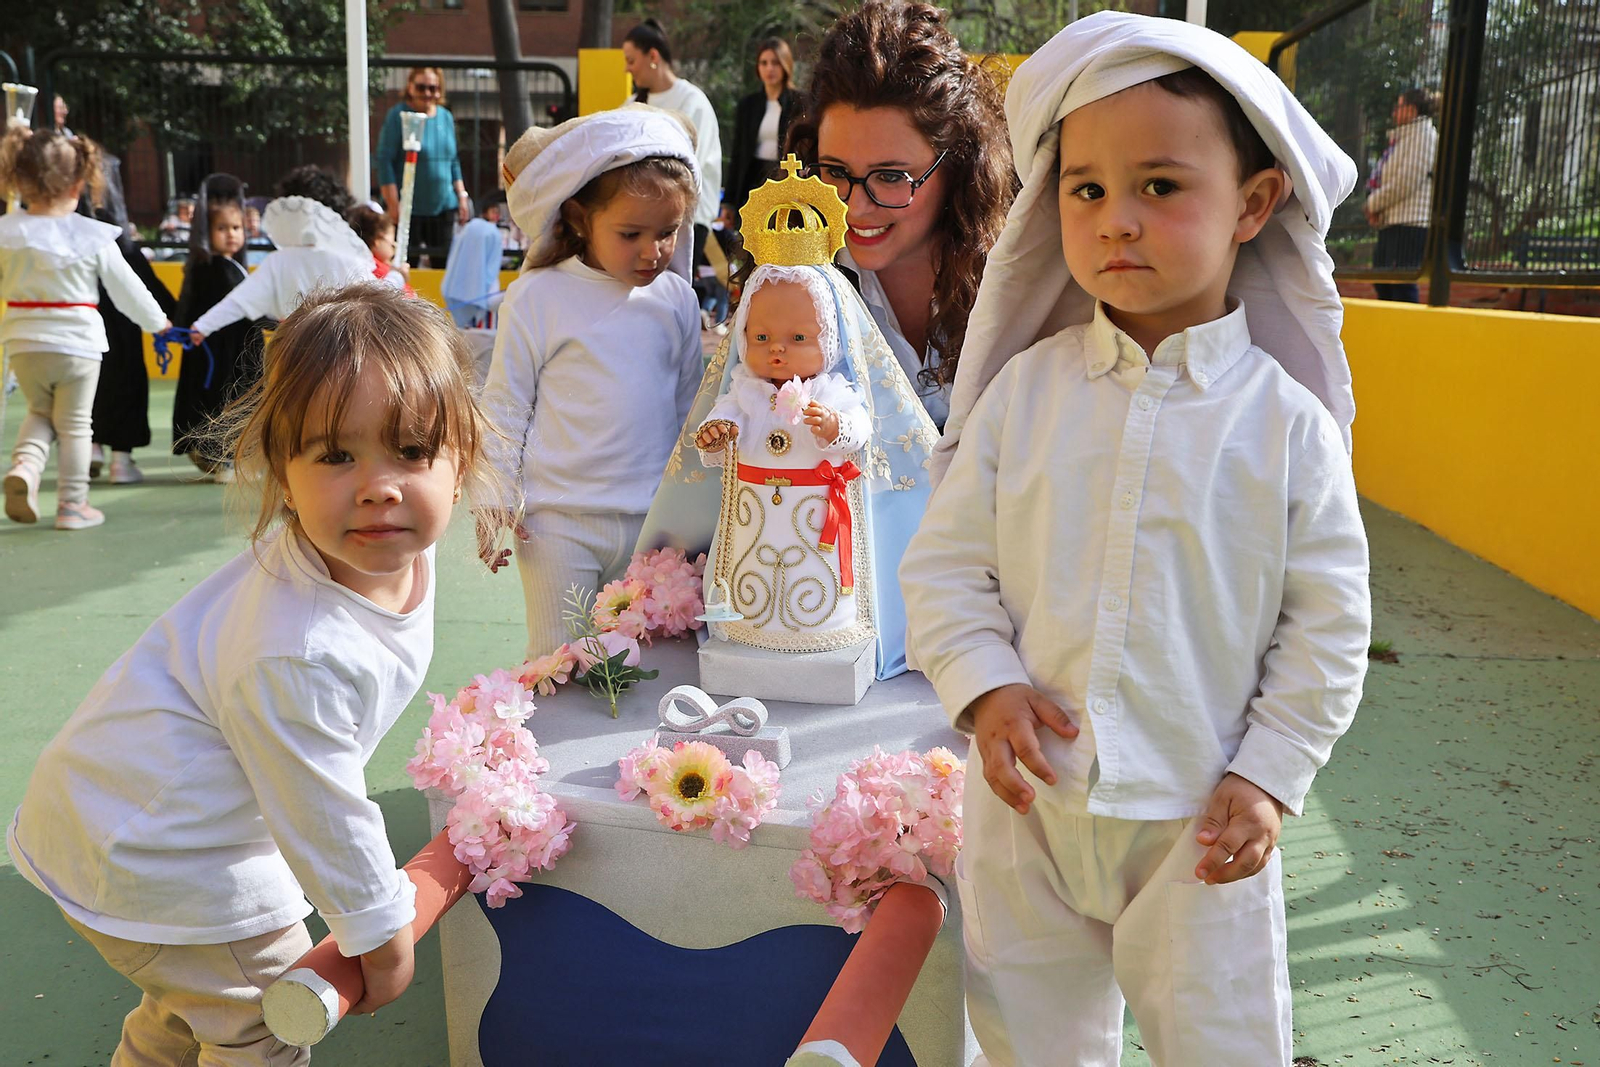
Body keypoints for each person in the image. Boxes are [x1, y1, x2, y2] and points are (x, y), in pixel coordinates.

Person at [901, 14, 1372, 1065]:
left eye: (1160, 186)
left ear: (1254, 204)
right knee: (1027, 1039)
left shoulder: (1284, 426)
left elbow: (1327, 622)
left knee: (1219, 1041)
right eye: (1085, 189)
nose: (1116, 219)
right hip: (1029, 799)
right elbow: (945, 564)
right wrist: (983, 685)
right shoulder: (1024, 394)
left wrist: (1270, 771)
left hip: (1198, 820)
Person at [7, 285, 493, 1065]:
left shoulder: (389, 546)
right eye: (336, 455)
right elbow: (322, 805)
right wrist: (378, 932)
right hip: (163, 857)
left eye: (410, 450)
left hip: (125, 822)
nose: (378, 484)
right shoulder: (297, 646)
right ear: (280, 469)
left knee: (186, 1011)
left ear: (459, 463)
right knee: (266, 1030)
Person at [481, 105, 704, 658]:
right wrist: (493, 499)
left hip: (654, 527)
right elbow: (506, 404)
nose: (652, 251)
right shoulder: (537, 297)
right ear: (580, 217)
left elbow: (687, 412)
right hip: (558, 524)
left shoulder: (676, 300)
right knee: (560, 666)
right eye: (631, 233)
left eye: (668, 232)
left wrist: (696, 511)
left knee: (649, 670)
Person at [786, 0, 1014, 430]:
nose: (855, 207)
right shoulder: (790, 280)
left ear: (958, 166)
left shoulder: (1015, 280)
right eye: (835, 171)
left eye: (890, 176)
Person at [0, 125, 170, 531]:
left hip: (23, 342)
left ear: (20, 180)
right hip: (78, 345)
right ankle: (72, 506)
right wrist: (158, 324)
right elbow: (130, 290)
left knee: (40, 412)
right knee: (76, 425)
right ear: (79, 183)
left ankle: (26, 463)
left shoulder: (7, 231)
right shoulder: (91, 236)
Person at [188, 165, 373, 344]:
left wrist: (202, 327)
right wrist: (396, 275)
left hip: (293, 351)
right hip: (342, 349)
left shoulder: (278, 261)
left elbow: (240, 301)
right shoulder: (350, 260)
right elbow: (379, 300)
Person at [172, 173, 265, 482]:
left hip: (234, 349)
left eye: (236, 228)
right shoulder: (211, 269)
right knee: (223, 400)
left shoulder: (231, 266)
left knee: (233, 401)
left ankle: (222, 456)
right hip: (220, 354)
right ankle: (220, 458)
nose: (231, 235)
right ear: (206, 232)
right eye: (222, 228)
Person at [623, 19, 723, 274]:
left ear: (653, 56)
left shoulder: (693, 101)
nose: (627, 69)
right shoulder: (631, 104)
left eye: (631, 60)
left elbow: (690, 166)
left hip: (684, 220)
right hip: (640, 217)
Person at [376, 66, 468, 268]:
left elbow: (453, 160)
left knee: (443, 266)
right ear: (410, 87)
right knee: (405, 265)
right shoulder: (398, 115)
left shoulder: (445, 116)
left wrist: (461, 195)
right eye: (421, 87)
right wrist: (393, 203)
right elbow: (384, 160)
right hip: (409, 210)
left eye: (433, 88)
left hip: (443, 208)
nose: (427, 93)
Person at [1364, 87, 1438, 303]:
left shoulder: (1423, 135)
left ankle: (1409, 335)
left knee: (1402, 286)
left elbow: (1405, 182)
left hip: (1410, 222)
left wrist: (1372, 204)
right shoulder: (1403, 138)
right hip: (1392, 221)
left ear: (1412, 109)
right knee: (1383, 282)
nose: (1394, 113)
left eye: (1398, 106)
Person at [723, 38, 800, 224]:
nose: (769, 69)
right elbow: (738, 155)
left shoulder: (800, 103)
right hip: (753, 181)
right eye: (764, 63)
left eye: (775, 62)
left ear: (785, 65)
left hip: (785, 181)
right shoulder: (748, 105)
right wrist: (729, 202)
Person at [347, 202, 414, 295]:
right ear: (377, 240)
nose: (395, 245)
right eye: (392, 241)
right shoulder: (379, 271)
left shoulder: (357, 265)